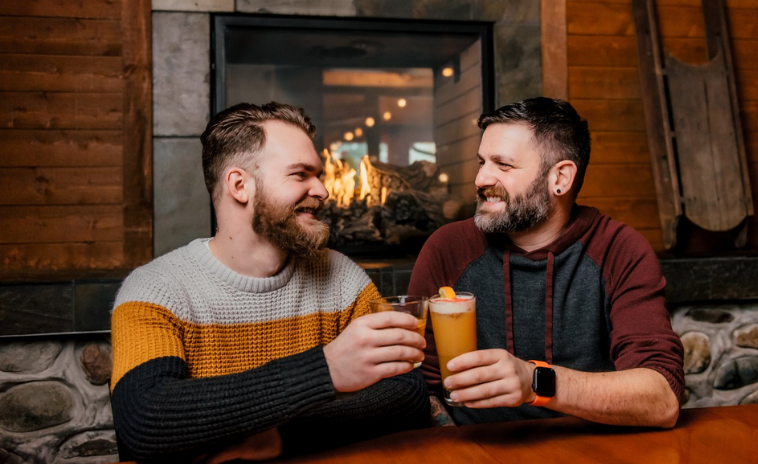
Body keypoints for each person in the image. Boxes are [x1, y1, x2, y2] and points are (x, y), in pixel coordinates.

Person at [111, 102, 430, 462]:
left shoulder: (340, 275)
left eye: (319, 175)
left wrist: (280, 438)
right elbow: (145, 420)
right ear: (239, 185)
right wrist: (325, 371)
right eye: (300, 175)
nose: (324, 190)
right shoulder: (156, 289)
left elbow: (408, 394)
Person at [408, 97, 684, 428]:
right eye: (482, 162)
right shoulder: (448, 248)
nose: (481, 179)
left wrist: (536, 381)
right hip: (478, 448)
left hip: (593, 450)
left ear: (561, 178)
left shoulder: (619, 249)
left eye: (503, 165)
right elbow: (418, 385)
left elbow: (662, 398)